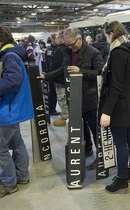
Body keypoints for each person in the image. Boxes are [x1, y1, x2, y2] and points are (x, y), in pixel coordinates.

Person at [38, 27, 104, 157]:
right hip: (74, 96)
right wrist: (46, 76)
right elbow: (63, 70)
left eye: (71, 44)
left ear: (79, 39)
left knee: (94, 128)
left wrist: (80, 71)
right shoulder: (68, 51)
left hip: (90, 97)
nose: (69, 47)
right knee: (81, 126)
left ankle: (101, 157)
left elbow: (100, 72)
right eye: (67, 44)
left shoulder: (93, 52)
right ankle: (88, 149)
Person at [100, 21, 130, 193]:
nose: (106, 39)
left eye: (106, 35)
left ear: (111, 34)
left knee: (120, 143)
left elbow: (116, 86)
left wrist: (107, 111)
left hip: (120, 105)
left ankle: (121, 178)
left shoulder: (118, 53)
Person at [0, 26, 34, 198]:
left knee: (1, 148)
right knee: (16, 143)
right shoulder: (11, 54)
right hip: (11, 108)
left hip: (8, 109)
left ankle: (8, 183)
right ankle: (21, 176)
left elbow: (12, 81)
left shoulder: (9, 56)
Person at [45, 33, 60, 116]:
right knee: (52, 93)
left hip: (54, 74)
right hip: (52, 74)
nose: (59, 39)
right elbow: (51, 64)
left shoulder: (57, 49)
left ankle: (52, 108)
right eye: (57, 38)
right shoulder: (50, 50)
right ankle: (51, 109)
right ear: (53, 39)